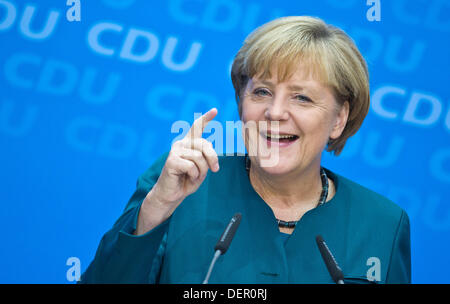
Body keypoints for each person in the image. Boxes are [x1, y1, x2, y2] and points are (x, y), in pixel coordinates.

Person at [81, 16, 411, 284]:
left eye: (302, 97)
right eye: (262, 92)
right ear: (241, 103)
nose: (275, 112)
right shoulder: (183, 186)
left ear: (338, 119)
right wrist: (157, 209)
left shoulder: (382, 222)